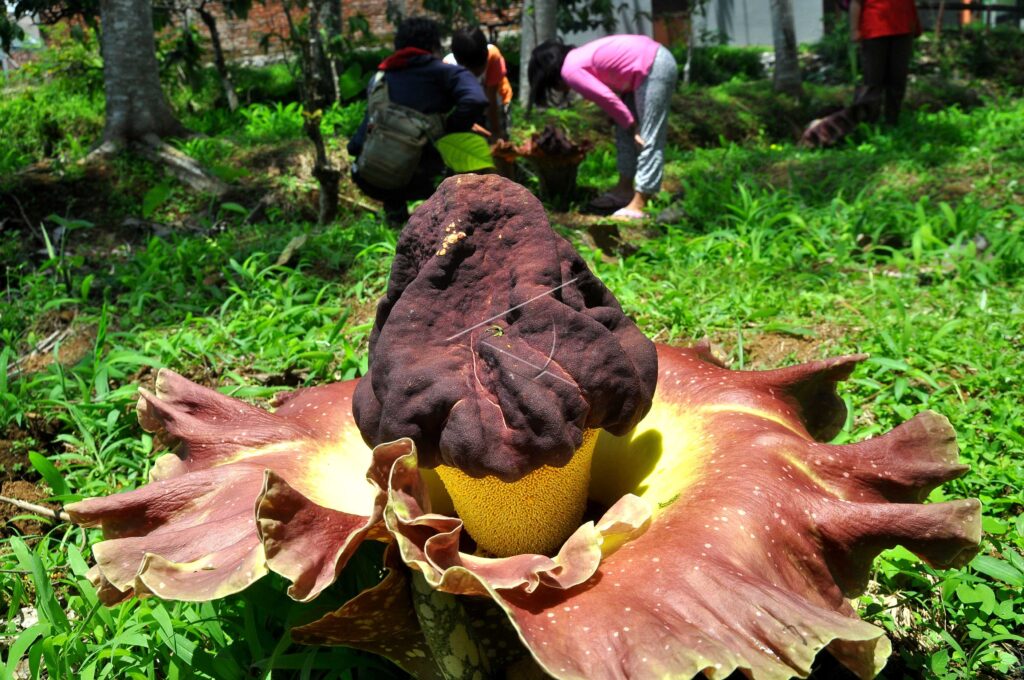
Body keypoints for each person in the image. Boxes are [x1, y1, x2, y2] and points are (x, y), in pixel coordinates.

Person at [348, 17, 487, 227]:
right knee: (460, 147)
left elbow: (363, 132)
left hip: (373, 178)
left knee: (393, 159)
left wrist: (354, 149)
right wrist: (449, 131)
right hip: (425, 177)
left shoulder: (380, 77)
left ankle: (396, 222)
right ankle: (443, 224)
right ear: (434, 46)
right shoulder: (447, 73)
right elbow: (476, 99)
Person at [528, 35, 678, 220]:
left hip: (654, 65)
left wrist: (632, 126)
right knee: (623, 129)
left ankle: (641, 202)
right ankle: (624, 190)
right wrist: (624, 122)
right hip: (640, 72)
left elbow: (607, 97)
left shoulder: (570, 70)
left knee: (647, 136)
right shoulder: (575, 59)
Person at [849, 0, 920, 125]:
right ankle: (870, 122)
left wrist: (915, 25)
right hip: (874, 29)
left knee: (898, 80)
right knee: (873, 80)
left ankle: (892, 121)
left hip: (903, 28)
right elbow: (856, 2)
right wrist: (854, 29)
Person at [443, 27, 514, 140]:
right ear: (461, 64)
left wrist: (496, 133)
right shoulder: (448, 67)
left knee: (500, 140)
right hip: (468, 107)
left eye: (481, 67)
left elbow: (491, 100)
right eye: (472, 70)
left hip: (497, 102)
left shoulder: (493, 56)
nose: (478, 73)